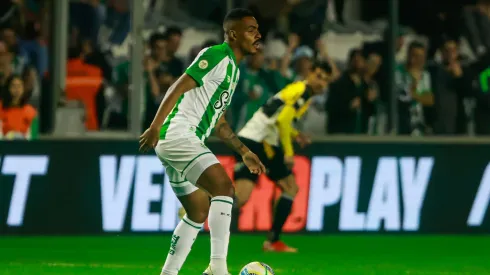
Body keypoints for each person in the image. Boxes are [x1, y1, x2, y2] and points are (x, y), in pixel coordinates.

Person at [138, 8, 265, 275]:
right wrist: (155, 126)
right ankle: (218, 268)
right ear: (233, 33)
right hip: (177, 134)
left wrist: (243, 151)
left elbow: (219, 123)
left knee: (197, 210)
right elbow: (178, 86)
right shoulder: (216, 55)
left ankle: (168, 273)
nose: (258, 34)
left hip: (180, 139)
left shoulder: (233, 71)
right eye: (251, 29)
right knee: (223, 188)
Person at [235, 61, 331, 252]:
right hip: (262, 140)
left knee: (241, 197)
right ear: (309, 73)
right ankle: (273, 241)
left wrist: (297, 135)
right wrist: (288, 152)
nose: (321, 82)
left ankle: (201, 204)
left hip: (249, 138)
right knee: (290, 187)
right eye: (318, 76)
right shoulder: (303, 91)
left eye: (325, 80)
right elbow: (282, 121)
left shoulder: (298, 90)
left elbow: (278, 116)